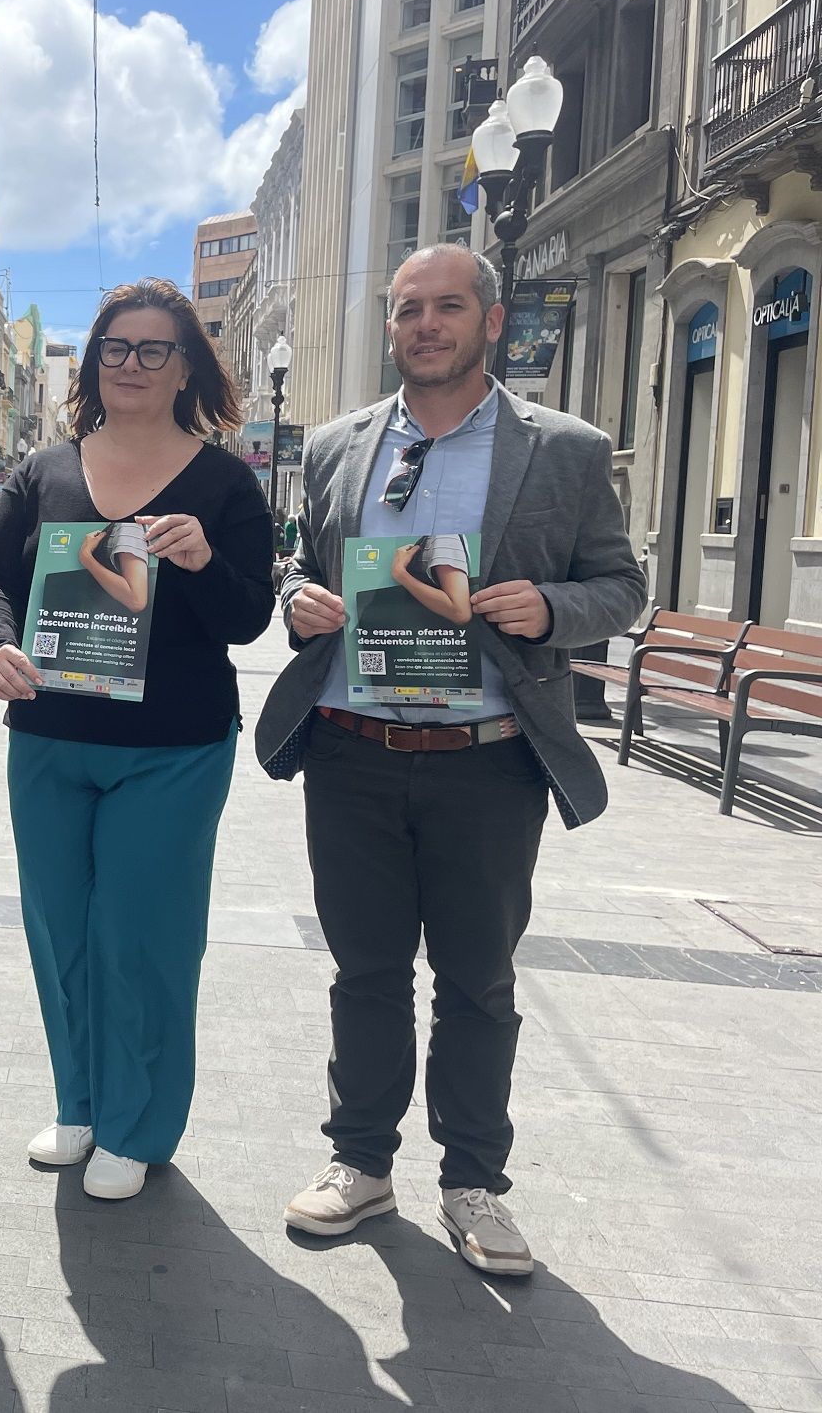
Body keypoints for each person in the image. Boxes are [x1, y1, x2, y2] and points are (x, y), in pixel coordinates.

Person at [258, 244, 645, 1276]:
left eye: (446, 307)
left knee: (477, 980)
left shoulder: (563, 450)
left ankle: (474, 1183)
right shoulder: (337, 446)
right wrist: (297, 601)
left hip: (488, 760)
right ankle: (359, 1161)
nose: (424, 325)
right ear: (389, 327)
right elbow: (300, 562)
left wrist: (550, 608)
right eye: (406, 310)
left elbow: (621, 587)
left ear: (490, 320)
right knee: (365, 972)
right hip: (352, 751)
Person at [0, 278, 273, 1202]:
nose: (131, 364)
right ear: (94, 361)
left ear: (186, 368)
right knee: (59, 929)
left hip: (172, 749)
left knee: (142, 937)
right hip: (50, 735)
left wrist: (202, 561)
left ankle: (138, 1126)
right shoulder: (44, 471)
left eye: (152, 350)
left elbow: (249, 618)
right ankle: (80, 1103)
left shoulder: (224, 483)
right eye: (114, 347)